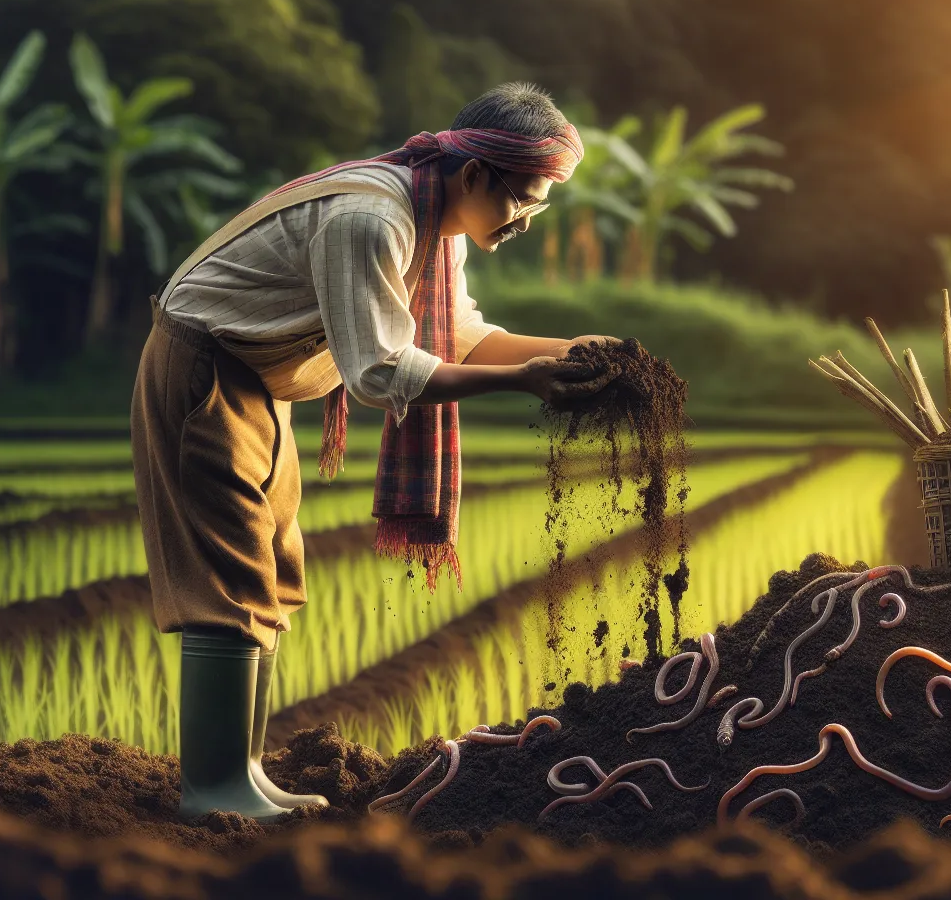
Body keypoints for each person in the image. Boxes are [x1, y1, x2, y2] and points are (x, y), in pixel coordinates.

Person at [131, 82, 617, 821]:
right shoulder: (372, 219)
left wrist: (571, 351)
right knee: (228, 573)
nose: (528, 218)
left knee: (270, 564)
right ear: (477, 174)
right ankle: (213, 788)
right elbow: (381, 369)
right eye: (525, 197)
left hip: (255, 381)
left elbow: (458, 332)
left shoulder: (437, 223)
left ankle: (242, 773)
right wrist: (524, 382)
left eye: (543, 202)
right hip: (204, 371)